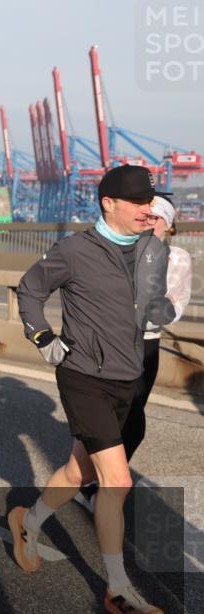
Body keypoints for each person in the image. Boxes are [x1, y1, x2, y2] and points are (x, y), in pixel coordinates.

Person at [10, 165, 176, 614]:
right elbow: (29, 290)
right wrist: (42, 337)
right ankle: (119, 591)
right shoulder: (74, 251)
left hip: (128, 378)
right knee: (116, 481)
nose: (147, 209)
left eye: (150, 202)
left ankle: (28, 522)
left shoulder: (150, 251)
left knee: (78, 469)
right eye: (138, 202)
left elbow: (150, 305)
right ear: (109, 203)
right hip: (84, 377)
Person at [74, 196, 193, 512]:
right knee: (121, 420)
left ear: (169, 225)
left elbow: (177, 302)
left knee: (129, 421)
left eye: (156, 218)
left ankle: (95, 481)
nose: (149, 223)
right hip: (112, 343)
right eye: (145, 216)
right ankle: (97, 483)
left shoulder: (177, 258)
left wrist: (155, 308)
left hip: (147, 346)